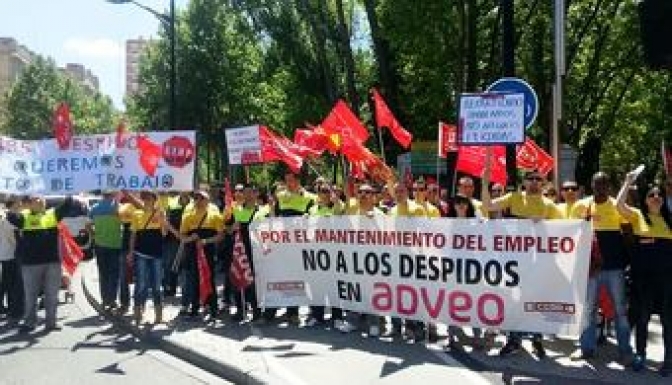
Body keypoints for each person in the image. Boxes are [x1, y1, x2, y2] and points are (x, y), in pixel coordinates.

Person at [481, 151, 562, 359]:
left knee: (535, 303)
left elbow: (564, 231)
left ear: (543, 183)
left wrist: (543, 225)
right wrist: (484, 182)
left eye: (538, 179)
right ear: (524, 182)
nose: (534, 182)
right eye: (531, 178)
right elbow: (488, 206)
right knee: (515, 303)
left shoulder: (550, 205)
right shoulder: (515, 197)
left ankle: (537, 340)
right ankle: (514, 341)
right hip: (515, 262)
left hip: (539, 263)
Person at [570, 172, 633, 365]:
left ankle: (625, 351)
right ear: (591, 185)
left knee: (620, 311)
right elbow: (570, 234)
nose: (601, 187)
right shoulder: (581, 206)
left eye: (604, 183)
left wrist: (630, 262)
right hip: (590, 270)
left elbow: (629, 236)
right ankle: (586, 349)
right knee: (588, 310)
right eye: (597, 183)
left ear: (609, 187)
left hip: (615, 268)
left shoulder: (617, 206)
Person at [615, 172, 672, 376]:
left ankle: (668, 361)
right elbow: (618, 206)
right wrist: (628, 182)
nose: (656, 197)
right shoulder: (638, 216)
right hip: (643, 281)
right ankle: (640, 355)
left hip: (667, 282)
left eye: (659, 195)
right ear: (646, 201)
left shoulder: (670, 220)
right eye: (651, 195)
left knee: (668, 321)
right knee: (642, 319)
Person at [9, 195, 73, 333]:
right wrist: (18, 203)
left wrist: (70, 188)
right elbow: (10, 216)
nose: (40, 200)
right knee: (30, 295)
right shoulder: (24, 216)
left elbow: (68, 204)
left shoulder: (52, 214)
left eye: (41, 198)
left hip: (52, 263)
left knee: (52, 295)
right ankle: (29, 323)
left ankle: (51, 323)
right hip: (30, 263)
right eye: (35, 199)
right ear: (30, 204)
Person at [127, 191, 178, 325]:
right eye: (144, 198)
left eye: (149, 198)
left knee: (156, 286)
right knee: (141, 285)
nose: (147, 200)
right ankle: (137, 313)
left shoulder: (160, 213)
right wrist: (131, 252)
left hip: (157, 254)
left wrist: (162, 221)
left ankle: (158, 316)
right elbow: (133, 235)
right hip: (140, 253)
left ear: (154, 200)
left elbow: (164, 234)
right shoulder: (137, 214)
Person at [179, 189, 224, 323]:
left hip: (208, 253)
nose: (198, 201)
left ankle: (213, 308)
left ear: (207, 200)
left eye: (201, 198)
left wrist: (206, 241)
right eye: (196, 198)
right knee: (194, 280)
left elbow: (221, 236)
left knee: (209, 279)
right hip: (192, 253)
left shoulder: (215, 215)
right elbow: (182, 237)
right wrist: (191, 238)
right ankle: (195, 309)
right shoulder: (188, 216)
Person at [87, 190, 123, 313]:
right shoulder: (117, 207)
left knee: (103, 273)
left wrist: (94, 235)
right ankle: (113, 300)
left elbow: (88, 225)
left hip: (100, 244)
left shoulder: (95, 208)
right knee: (114, 274)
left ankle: (105, 300)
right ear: (113, 194)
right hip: (115, 244)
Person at [0, 197, 23, 323]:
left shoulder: (6, 218)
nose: (20, 204)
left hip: (5, 253)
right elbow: (13, 240)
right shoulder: (9, 219)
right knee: (9, 282)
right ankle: (8, 307)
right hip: (10, 254)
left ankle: (8, 306)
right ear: (13, 204)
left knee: (6, 282)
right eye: (18, 202)